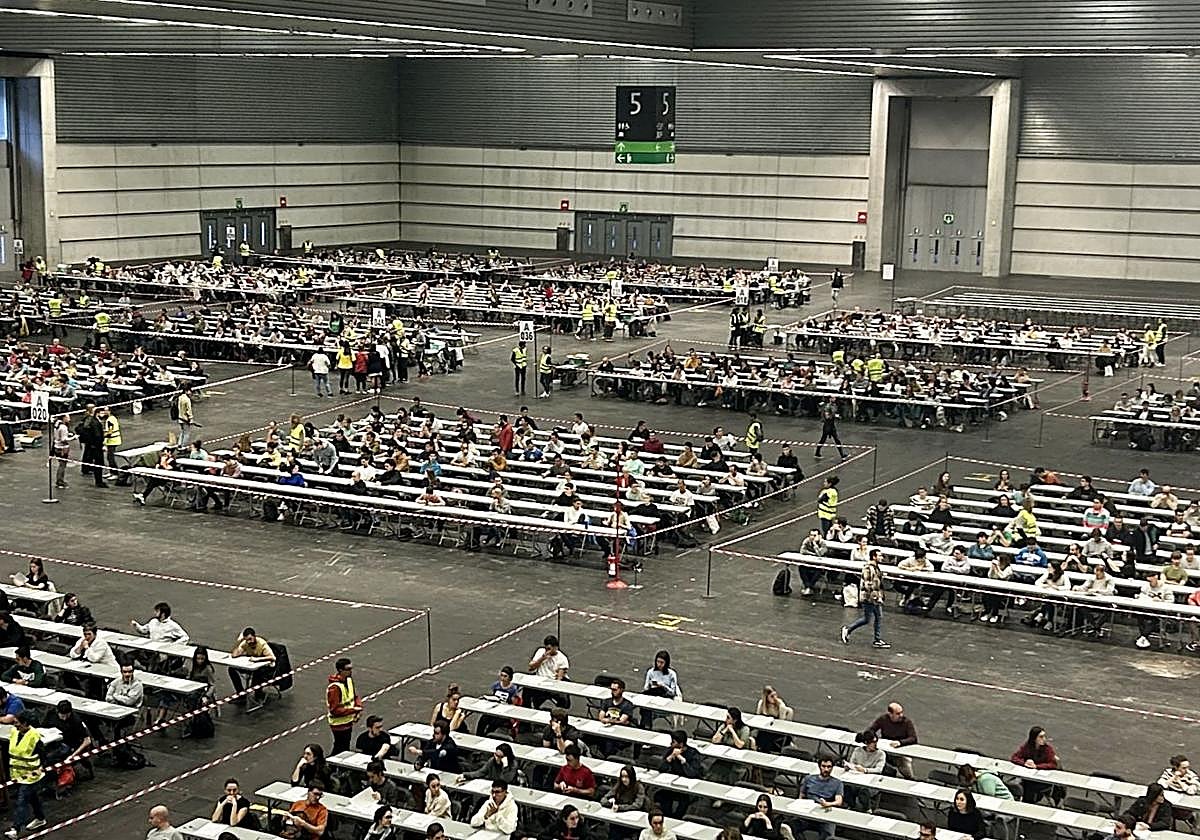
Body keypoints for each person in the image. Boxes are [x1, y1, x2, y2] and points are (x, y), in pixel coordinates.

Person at [6, 712, 48, 837]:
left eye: (17, 723)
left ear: (25, 723)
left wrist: (42, 768)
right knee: (33, 798)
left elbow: (43, 755)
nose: (15, 725)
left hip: (31, 776)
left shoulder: (34, 736)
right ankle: (40, 818)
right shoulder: (14, 732)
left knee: (22, 800)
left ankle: (15, 828)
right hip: (18, 774)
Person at [841, 550, 890, 649]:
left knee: (878, 617)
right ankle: (848, 629)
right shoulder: (868, 568)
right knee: (867, 619)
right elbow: (868, 584)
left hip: (874, 597)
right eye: (879, 556)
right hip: (869, 598)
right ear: (874, 557)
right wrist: (876, 597)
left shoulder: (875, 567)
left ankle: (877, 639)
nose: (881, 558)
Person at [656, 731, 702, 818]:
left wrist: (682, 760)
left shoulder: (693, 753)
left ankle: (677, 818)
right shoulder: (671, 750)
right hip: (673, 783)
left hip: (688, 786)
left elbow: (692, 773)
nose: (671, 744)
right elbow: (661, 769)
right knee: (662, 796)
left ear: (681, 744)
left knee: (684, 801)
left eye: (673, 742)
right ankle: (667, 816)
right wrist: (670, 758)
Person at [865, 702, 917, 779]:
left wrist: (900, 742)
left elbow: (913, 738)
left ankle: (910, 779)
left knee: (904, 765)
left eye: (901, 712)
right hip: (886, 750)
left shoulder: (907, 722)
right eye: (898, 713)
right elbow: (871, 730)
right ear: (890, 714)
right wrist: (874, 739)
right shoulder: (883, 719)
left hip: (900, 752)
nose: (901, 715)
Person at [797, 755, 844, 840]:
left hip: (825, 814)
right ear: (819, 766)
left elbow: (839, 801)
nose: (826, 769)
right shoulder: (809, 778)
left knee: (829, 836)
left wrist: (828, 804)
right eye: (823, 766)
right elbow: (801, 795)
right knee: (789, 825)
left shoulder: (838, 783)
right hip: (807, 812)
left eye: (829, 767)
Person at [1010, 726, 1059, 803]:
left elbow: (1053, 764)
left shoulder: (1048, 749)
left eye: (1044, 736)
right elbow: (1014, 757)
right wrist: (1025, 763)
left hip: (1042, 779)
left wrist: (1036, 766)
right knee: (1018, 784)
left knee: (1028, 787)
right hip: (1028, 777)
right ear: (1034, 738)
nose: (1044, 739)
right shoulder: (1027, 746)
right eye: (1041, 737)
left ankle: (1028, 802)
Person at [229, 626, 276, 704]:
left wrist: (257, 659)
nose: (249, 642)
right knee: (232, 669)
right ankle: (241, 694)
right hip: (251, 667)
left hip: (266, 668)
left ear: (254, 636)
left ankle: (258, 694)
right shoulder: (245, 643)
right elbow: (234, 655)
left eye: (250, 639)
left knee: (258, 673)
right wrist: (239, 642)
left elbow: (272, 657)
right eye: (246, 640)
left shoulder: (262, 643)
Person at [326, 657, 363, 755]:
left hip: (348, 721)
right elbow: (334, 710)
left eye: (351, 668)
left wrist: (358, 708)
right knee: (340, 747)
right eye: (348, 669)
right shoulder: (335, 688)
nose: (351, 671)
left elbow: (354, 696)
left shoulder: (349, 680)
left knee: (344, 746)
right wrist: (353, 710)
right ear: (340, 670)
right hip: (339, 724)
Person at [843, 729, 886, 811]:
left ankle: (867, 809)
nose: (875, 744)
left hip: (871, 781)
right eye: (872, 742)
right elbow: (852, 763)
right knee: (847, 786)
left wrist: (865, 770)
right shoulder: (857, 750)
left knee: (864, 790)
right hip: (856, 778)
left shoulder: (881, 754)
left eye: (876, 742)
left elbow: (879, 769)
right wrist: (849, 767)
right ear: (866, 743)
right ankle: (851, 805)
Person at [526, 634, 570, 711]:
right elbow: (531, 668)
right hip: (539, 681)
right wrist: (542, 659)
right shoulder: (540, 652)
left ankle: (559, 713)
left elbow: (559, 677)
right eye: (546, 648)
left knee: (562, 699)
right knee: (526, 690)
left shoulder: (562, 658)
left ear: (555, 647)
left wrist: (554, 686)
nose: (547, 651)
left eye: (549, 649)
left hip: (552, 683)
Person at [754, 685, 793, 754]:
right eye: (772, 696)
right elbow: (758, 716)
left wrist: (782, 708)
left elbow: (782, 721)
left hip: (777, 729)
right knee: (762, 733)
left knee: (766, 735)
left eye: (775, 695)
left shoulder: (780, 705)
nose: (775, 698)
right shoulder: (762, 704)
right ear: (766, 697)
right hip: (766, 727)